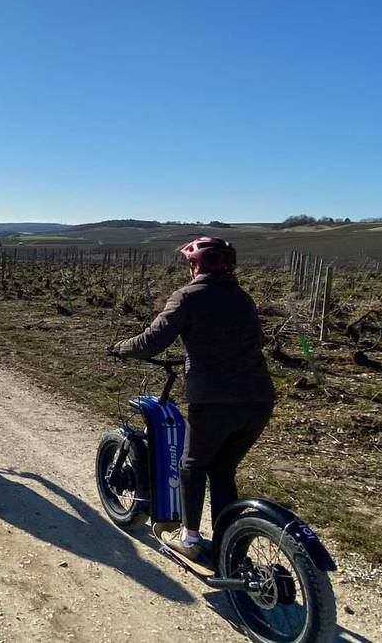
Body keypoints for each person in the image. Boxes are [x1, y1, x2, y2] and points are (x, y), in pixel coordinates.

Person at [108, 236, 274, 562]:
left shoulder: (188, 297)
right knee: (223, 469)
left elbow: (152, 341)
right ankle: (229, 546)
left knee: (192, 466)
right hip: (258, 400)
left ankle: (190, 538)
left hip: (214, 401)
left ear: (195, 265)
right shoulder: (243, 298)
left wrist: (120, 348)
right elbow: (253, 340)